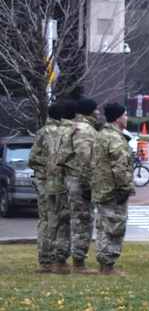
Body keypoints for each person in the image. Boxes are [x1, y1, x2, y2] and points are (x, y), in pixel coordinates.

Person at [57, 97, 102, 274]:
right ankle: (79, 264)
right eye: (96, 109)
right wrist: (87, 186)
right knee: (82, 221)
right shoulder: (85, 130)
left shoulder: (74, 127)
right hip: (79, 182)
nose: (98, 112)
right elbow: (85, 161)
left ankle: (69, 260)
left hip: (71, 179)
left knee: (74, 220)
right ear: (90, 111)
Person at [90, 103, 135, 275]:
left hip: (102, 189)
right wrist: (125, 188)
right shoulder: (115, 138)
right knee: (115, 228)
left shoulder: (102, 134)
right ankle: (108, 265)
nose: (127, 118)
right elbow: (120, 168)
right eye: (125, 114)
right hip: (113, 190)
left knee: (103, 227)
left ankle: (103, 264)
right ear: (117, 118)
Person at [28, 103, 63, 273]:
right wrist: (50, 170)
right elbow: (34, 158)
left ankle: (47, 258)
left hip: (46, 182)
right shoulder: (52, 132)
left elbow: (33, 158)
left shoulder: (44, 131)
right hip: (48, 183)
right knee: (49, 221)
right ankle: (47, 259)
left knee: (48, 220)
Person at [43, 100, 76, 273]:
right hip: (63, 185)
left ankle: (48, 258)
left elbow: (40, 157)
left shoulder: (52, 133)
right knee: (64, 223)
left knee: (53, 223)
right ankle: (59, 260)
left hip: (51, 183)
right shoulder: (69, 133)